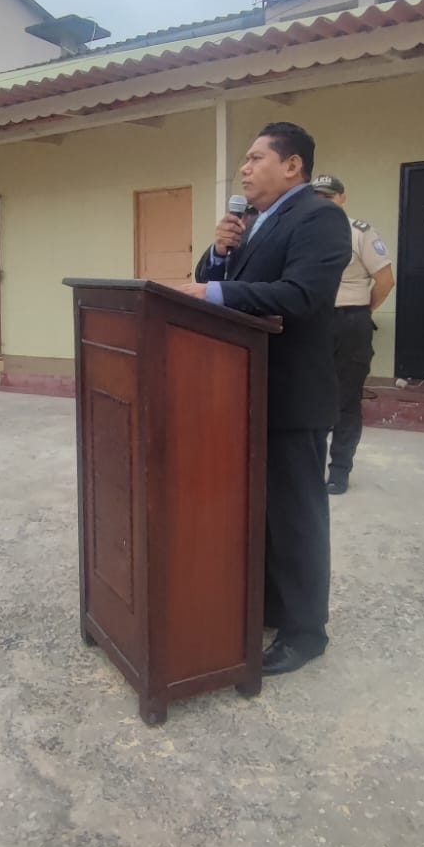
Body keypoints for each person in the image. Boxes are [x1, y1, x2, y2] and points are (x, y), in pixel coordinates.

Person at [181, 122, 350, 677]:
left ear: (293, 165)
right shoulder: (254, 222)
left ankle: (306, 633)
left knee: (297, 519)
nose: (244, 168)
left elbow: (301, 295)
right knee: (265, 515)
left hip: (293, 395)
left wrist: (212, 290)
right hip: (248, 393)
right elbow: (222, 285)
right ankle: (272, 607)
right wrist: (218, 255)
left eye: (256, 158)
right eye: (245, 160)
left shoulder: (320, 217)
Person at [310, 175, 394, 495]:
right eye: (317, 197)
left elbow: (385, 280)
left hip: (350, 321)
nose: (323, 203)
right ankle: (310, 467)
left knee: (345, 399)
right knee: (311, 398)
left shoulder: (359, 232)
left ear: (342, 199)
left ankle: (339, 471)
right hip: (314, 322)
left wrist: (363, 311)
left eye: (329, 197)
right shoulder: (305, 232)